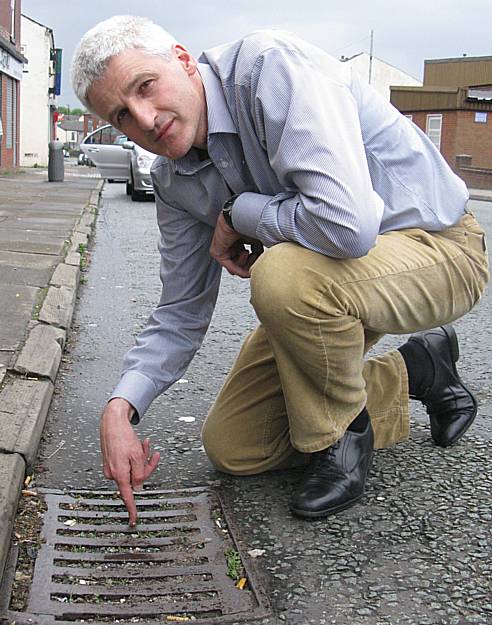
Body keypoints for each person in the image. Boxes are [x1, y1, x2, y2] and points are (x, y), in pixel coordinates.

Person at [72, 16, 488, 526]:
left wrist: (237, 213)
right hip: (334, 280)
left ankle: (339, 440)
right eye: (121, 115)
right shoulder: (174, 180)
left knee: (283, 272)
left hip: (438, 247)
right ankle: (420, 369)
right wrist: (120, 408)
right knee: (236, 445)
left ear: (182, 60)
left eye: (145, 86)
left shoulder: (269, 69)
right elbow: (180, 311)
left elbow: (348, 227)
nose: (144, 118)